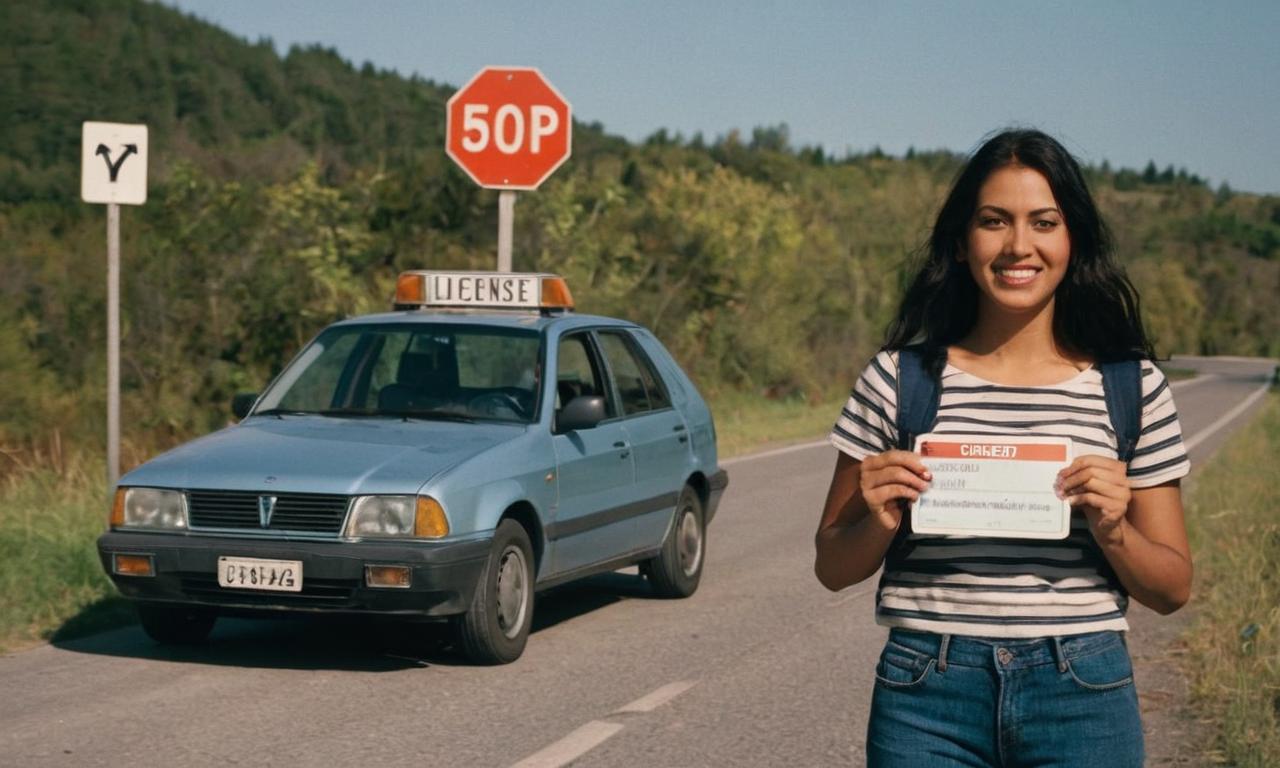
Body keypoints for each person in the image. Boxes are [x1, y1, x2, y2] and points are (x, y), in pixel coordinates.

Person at [814, 128, 1191, 767]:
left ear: (1073, 240)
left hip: (1083, 690)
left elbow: (1172, 588)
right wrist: (877, 522)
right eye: (995, 221)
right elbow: (832, 567)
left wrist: (1114, 529)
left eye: (1044, 222)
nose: (1020, 245)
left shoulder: (1133, 387)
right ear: (962, 243)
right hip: (925, 695)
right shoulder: (897, 380)